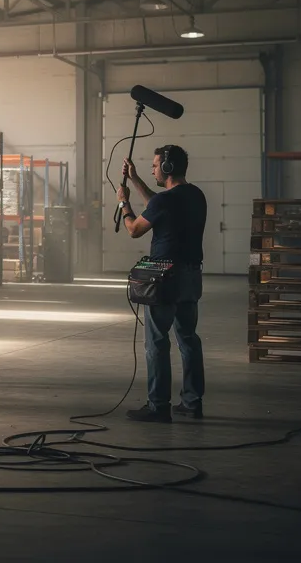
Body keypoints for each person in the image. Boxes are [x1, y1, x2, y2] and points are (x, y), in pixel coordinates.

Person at [116, 145, 208, 423]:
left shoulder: (164, 203)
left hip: (166, 278)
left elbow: (134, 229)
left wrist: (124, 203)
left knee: (156, 342)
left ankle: (158, 406)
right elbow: (159, 203)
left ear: (167, 168)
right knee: (188, 340)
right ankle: (192, 402)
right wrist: (134, 179)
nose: (153, 169)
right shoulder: (195, 195)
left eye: (155, 165)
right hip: (192, 275)